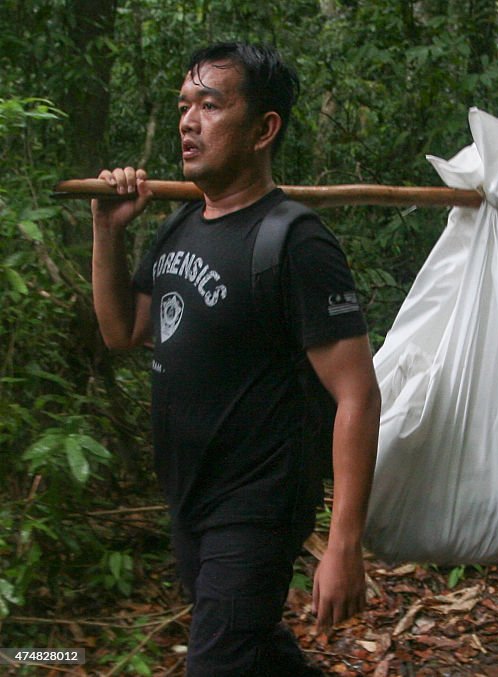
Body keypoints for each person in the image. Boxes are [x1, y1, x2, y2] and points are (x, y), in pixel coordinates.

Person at [90, 43, 381, 675]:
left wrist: (344, 543)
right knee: (253, 649)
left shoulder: (295, 241)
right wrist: (107, 232)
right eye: (183, 106)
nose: (187, 122)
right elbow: (122, 331)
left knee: (217, 662)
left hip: (258, 502)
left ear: (263, 129)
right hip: (188, 492)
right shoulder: (179, 225)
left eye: (210, 105)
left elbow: (357, 394)